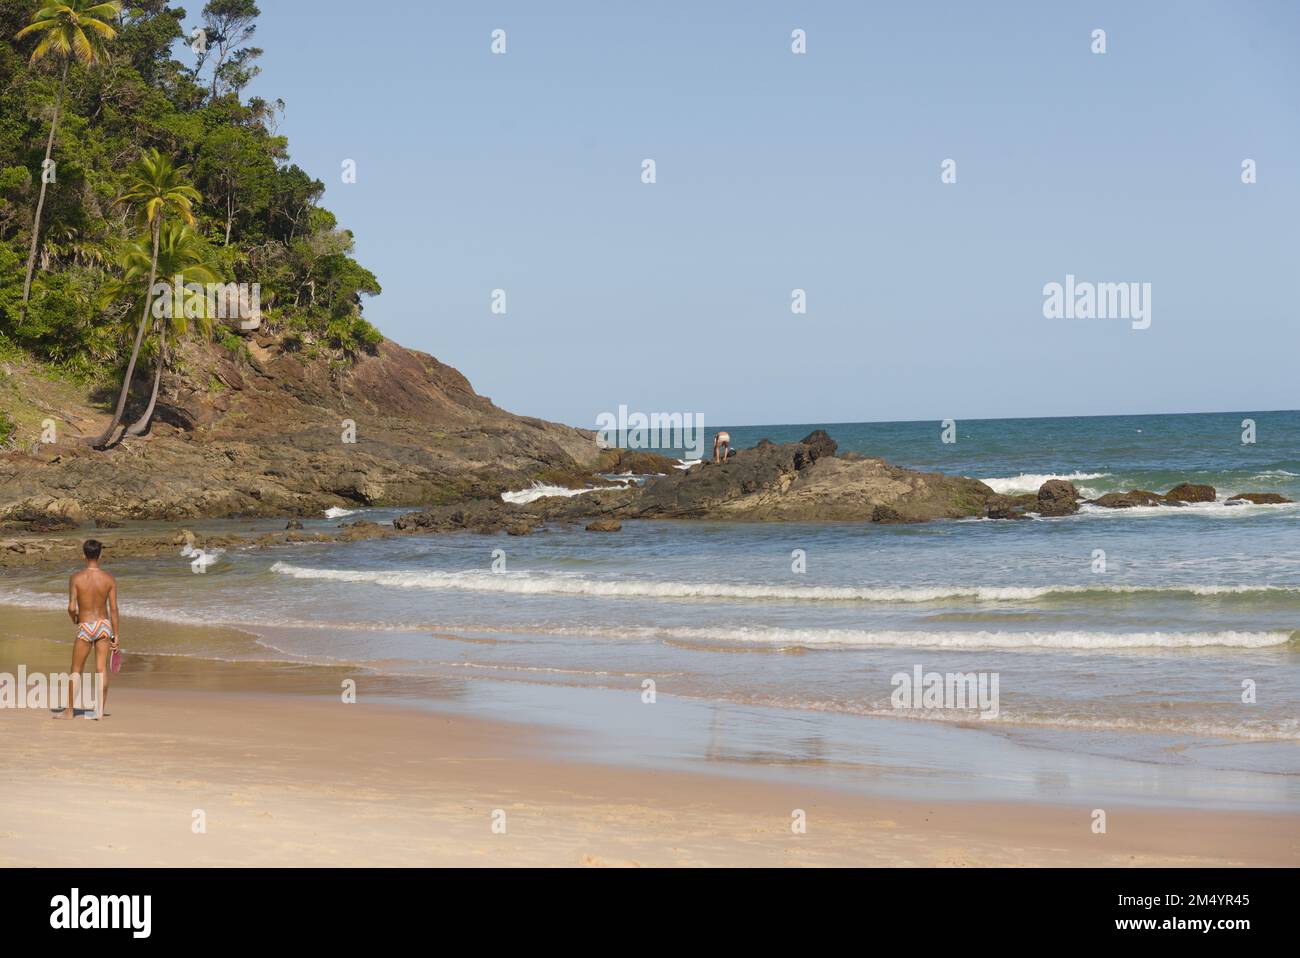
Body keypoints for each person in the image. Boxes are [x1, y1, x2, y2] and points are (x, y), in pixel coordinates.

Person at [64, 539, 119, 720]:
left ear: (83, 556)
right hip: (103, 625)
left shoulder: (76, 578)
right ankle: (100, 712)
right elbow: (114, 609)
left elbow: (72, 607)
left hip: (85, 625)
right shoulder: (109, 579)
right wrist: (116, 635)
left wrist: (75, 620)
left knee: (76, 669)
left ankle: (69, 711)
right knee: (101, 669)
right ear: (101, 555)